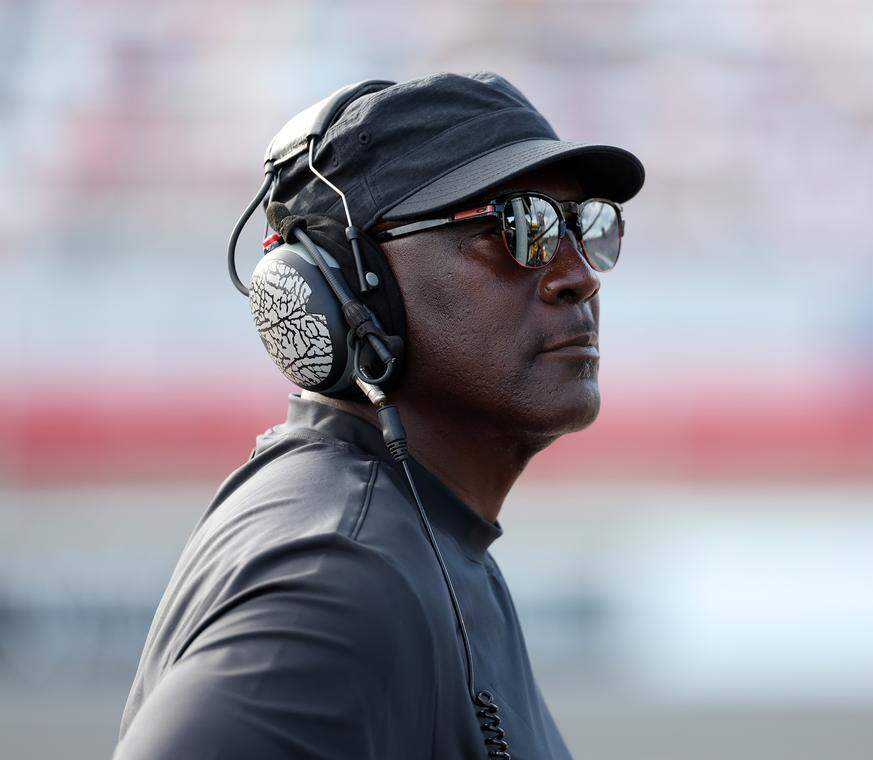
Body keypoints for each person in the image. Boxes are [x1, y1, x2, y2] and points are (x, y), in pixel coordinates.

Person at [113, 71, 644, 759]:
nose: (579, 274)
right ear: (341, 288)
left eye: (583, 226)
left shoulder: (412, 533)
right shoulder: (337, 576)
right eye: (518, 224)